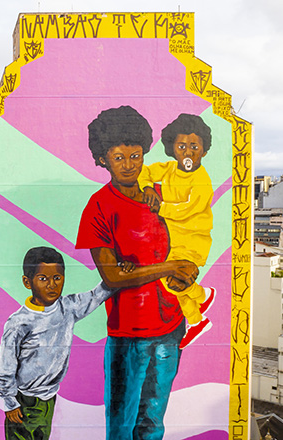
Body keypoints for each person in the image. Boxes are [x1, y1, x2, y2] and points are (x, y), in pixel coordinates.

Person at [75, 105, 199, 440]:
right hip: (127, 335)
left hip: (169, 326)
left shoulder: (160, 196)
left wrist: (187, 270)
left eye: (135, 156)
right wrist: (168, 267)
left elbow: (191, 240)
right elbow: (112, 277)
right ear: (102, 159)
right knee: (121, 426)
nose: (129, 165)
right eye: (119, 157)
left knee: (153, 424)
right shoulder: (98, 207)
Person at [0, 246, 117, 440]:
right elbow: (5, 367)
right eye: (43, 279)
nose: (52, 285)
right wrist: (10, 402)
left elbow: (97, 295)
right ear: (27, 282)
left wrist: (119, 272)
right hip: (24, 402)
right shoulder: (19, 322)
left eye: (57, 278)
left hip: (48, 399)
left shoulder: (68, 307)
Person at [139, 113, 216, 349]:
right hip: (174, 240)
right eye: (181, 146)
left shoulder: (202, 180)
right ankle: (201, 300)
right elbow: (145, 171)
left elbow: (187, 209)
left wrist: (160, 207)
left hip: (195, 239)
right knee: (170, 280)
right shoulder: (170, 169)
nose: (188, 152)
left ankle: (197, 318)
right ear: (172, 148)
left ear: (204, 150)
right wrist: (148, 187)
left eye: (194, 146)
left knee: (174, 280)